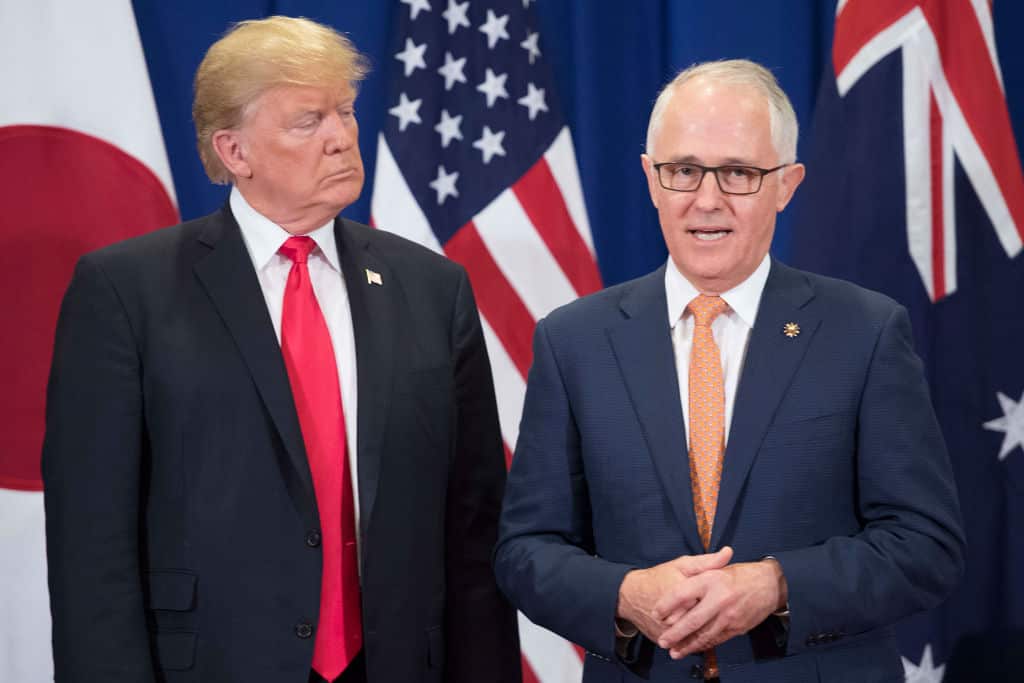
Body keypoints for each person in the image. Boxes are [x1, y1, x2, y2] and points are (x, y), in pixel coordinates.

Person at [42, 16, 519, 683]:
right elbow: (91, 544)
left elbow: (474, 527)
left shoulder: (433, 289)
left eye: (344, 112)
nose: (341, 137)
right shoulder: (126, 291)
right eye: (308, 121)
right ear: (235, 151)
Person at [494, 59, 965, 683]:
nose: (707, 200)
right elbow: (526, 550)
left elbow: (926, 544)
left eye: (739, 173)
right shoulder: (573, 341)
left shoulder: (865, 332)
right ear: (651, 178)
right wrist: (625, 594)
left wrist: (777, 585)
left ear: (787, 184)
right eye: (684, 171)